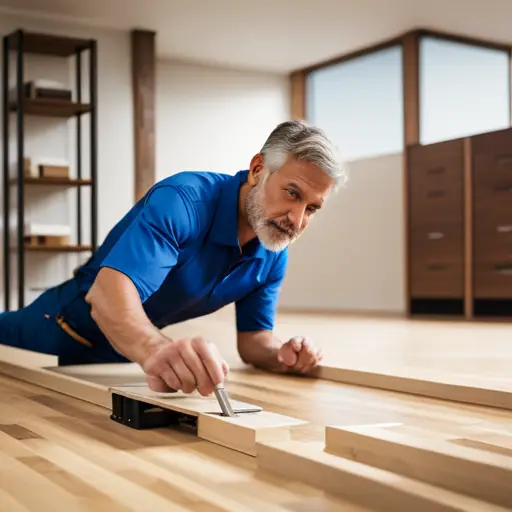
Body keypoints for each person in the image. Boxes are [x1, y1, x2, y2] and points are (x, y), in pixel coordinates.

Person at [0, 120, 346, 396]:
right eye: (292, 193)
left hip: (129, 353)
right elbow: (105, 295)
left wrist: (284, 355)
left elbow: (254, 341)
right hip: (61, 326)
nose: (296, 220)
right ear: (258, 169)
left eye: (312, 208)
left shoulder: (272, 250)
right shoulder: (183, 201)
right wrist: (156, 349)